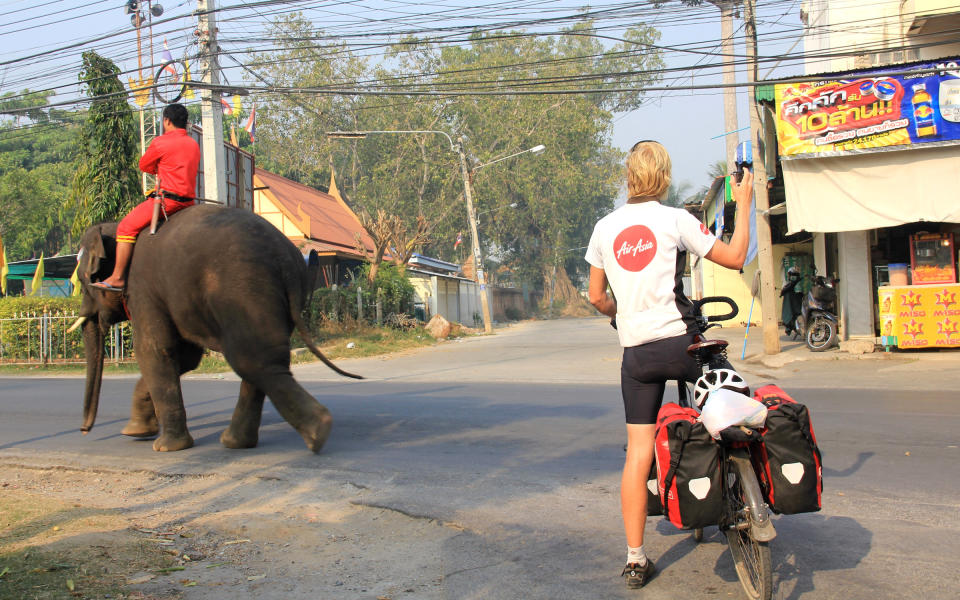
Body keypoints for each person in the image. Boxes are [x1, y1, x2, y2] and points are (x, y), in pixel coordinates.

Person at [584, 140, 754, 589]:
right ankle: (738, 494)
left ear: (628, 175)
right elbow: (735, 258)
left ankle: (636, 559)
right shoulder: (676, 218)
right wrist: (747, 201)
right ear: (663, 174)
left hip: (637, 355)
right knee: (724, 412)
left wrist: (617, 314)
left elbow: (596, 297)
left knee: (637, 455)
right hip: (682, 346)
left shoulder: (604, 228)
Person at [94, 103, 201, 291]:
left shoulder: (161, 142)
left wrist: (158, 168)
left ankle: (118, 277)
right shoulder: (193, 144)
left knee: (126, 227)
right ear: (185, 123)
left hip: (167, 202)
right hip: (189, 202)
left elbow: (144, 165)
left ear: (167, 121)